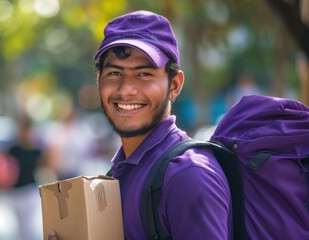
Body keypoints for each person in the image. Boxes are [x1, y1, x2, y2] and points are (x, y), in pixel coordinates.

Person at [49, 10, 232, 240]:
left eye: (144, 74)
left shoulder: (187, 175)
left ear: (174, 85)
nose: (126, 89)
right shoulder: (119, 171)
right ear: (99, 82)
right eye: (115, 73)